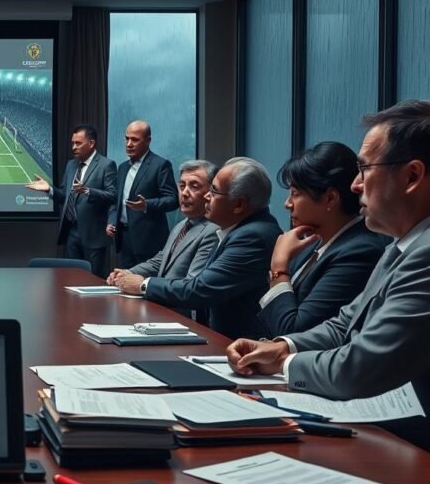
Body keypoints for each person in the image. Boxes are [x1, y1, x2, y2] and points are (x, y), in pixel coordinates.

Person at [228, 100, 430, 450]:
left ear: (412, 176)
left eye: (365, 169)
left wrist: (285, 363)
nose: (356, 185)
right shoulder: (398, 246)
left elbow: (360, 366)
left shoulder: (422, 253)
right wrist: (280, 349)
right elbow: (344, 324)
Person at [119, 157, 281, 339]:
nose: (206, 196)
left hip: (238, 344)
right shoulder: (235, 229)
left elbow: (199, 290)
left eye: (214, 191)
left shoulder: (252, 236)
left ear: (239, 204)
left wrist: (142, 284)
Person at [257, 142, 388, 337]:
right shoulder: (312, 242)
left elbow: (293, 331)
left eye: (295, 193)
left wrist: (279, 268)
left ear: (330, 198)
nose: (287, 204)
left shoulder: (360, 251)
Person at [108, 160, 220, 312]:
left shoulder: (213, 231)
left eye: (194, 186)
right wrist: (128, 273)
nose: (185, 193)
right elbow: (160, 261)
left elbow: (191, 285)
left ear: (211, 192)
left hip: (180, 315)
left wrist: (143, 284)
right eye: (182, 186)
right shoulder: (181, 225)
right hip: (159, 307)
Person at [26, 124, 116, 274]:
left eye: (78, 143)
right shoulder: (71, 165)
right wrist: (50, 189)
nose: (74, 147)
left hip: (93, 235)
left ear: (91, 143)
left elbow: (113, 196)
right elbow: (65, 196)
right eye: (72, 143)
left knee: (93, 280)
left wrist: (88, 191)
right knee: (72, 278)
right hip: (72, 233)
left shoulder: (106, 165)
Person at [106, 120, 179, 268]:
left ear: (148, 141)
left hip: (149, 240)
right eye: (127, 139)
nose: (129, 144)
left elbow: (173, 200)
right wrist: (112, 221)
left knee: (145, 286)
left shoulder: (160, 165)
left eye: (135, 139)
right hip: (124, 237)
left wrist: (147, 205)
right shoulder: (122, 168)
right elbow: (117, 201)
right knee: (124, 283)